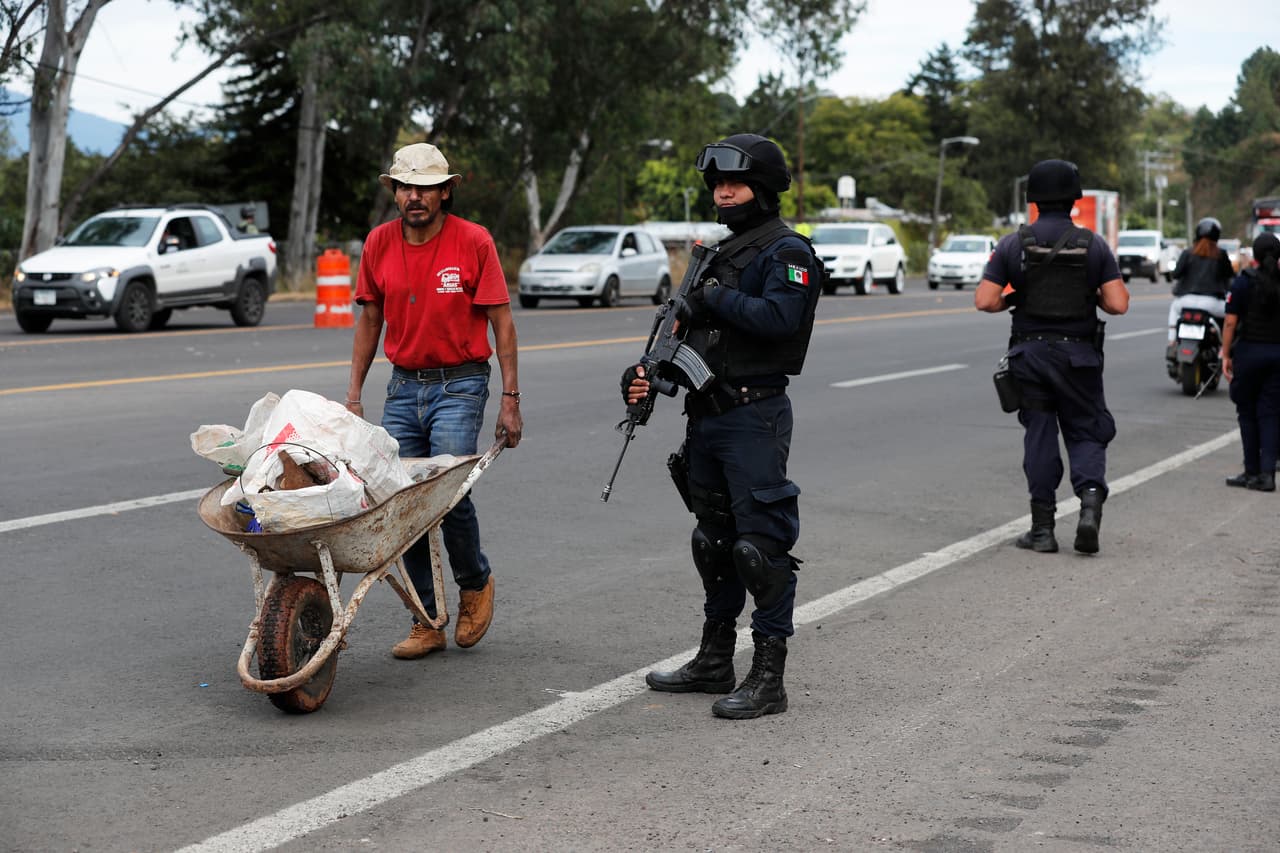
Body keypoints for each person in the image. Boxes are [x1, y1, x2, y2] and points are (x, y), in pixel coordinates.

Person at [621, 133, 821, 719]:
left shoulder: (786, 253)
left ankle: (769, 677)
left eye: (734, 184)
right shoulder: (721, 253)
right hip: (706, 415)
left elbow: (781, 318)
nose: (723, 193)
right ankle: (714, 658)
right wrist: (645, 373)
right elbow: (688, 337)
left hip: (754, 415)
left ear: (762, 189)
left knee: (759, 548)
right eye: (717, 185)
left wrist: (713, 297)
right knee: (713, 542)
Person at [346, 142, 522, 659]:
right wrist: (354, 396)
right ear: (395, 193)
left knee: (446, 493)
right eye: (405, 187)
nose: (414, 197)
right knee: (400, 501)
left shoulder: (473, 241)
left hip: (461, 383)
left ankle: (475, 583)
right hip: (403, 385)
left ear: (446, 191)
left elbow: (501, 322)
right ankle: (427, 617)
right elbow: (370, 321)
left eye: (425, 187)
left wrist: (510, 397)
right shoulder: (378, 243)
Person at [975, 159, 1130, 555]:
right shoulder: (1093, 245)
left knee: (1040, 435)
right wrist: (1090, 293)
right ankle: (1090, 505)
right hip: (1078, 358)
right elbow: (1118, 304)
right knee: (1085, 430)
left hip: (1030, 356)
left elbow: (985, 301)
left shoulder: (1013, 244)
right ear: (1074, 199)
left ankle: (1042, 532)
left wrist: (1017, 296)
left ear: (1035, 200)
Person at [1220, 233, 1280, 491]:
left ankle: (1251, 471)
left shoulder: (1243, 283)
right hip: (1277, 356)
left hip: (1249, 355)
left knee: (1247, 412)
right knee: (1270, 413)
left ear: (1254, 255)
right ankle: (1268, 475)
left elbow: (1231, 322)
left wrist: (1225, 354)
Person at [1165, 217, 1232, 364]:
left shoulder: (1188, 253)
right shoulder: (1221, 255)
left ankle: (1171, 343)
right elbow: (1230, 276)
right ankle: (1224, 348)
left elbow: (1176, 274)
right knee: (1230, 316)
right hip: (1212, 304)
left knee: (1174, 308)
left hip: (1185, 301)